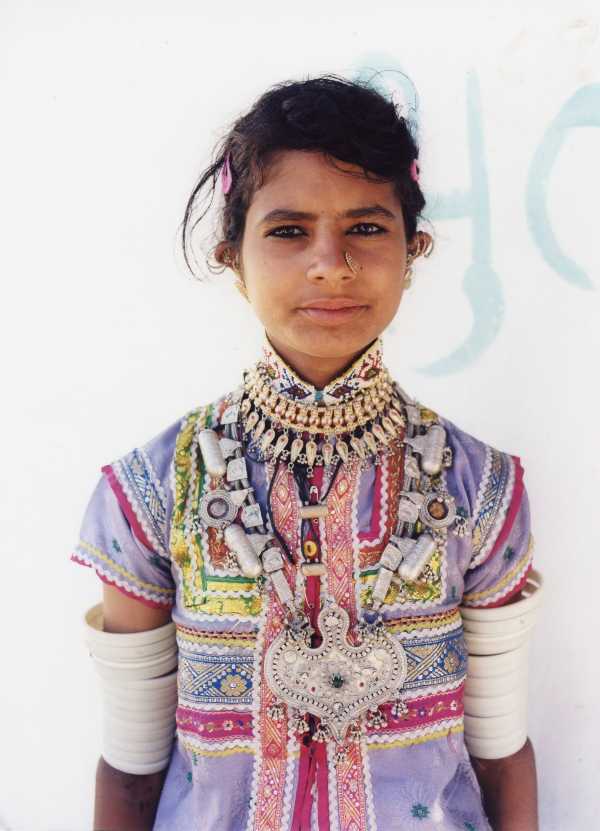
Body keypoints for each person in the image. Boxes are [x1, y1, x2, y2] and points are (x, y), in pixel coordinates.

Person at [73, 75, 541, 831]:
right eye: (289, 230)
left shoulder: (480, 485)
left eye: (366, 227)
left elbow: (499, 746)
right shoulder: (152, 490)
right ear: (233, 255)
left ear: (413, 248)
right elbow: (131, 763)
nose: (330, 262)